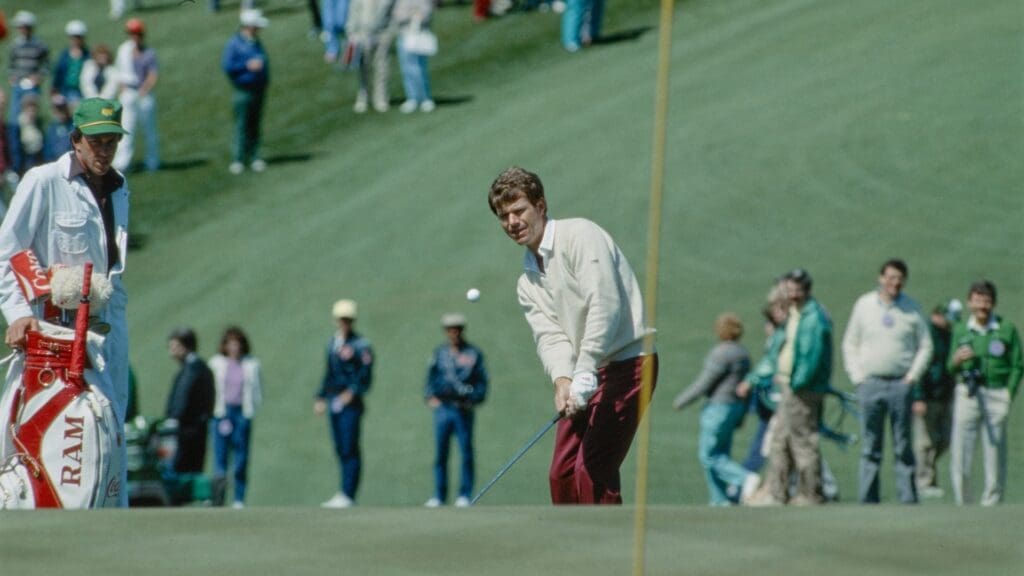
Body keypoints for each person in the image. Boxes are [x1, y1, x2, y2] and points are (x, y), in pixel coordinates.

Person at [488, 166, 658, 505]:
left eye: (519, 210)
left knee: (591, 469)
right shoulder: (527, 281)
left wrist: (584, 367)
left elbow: (604, 303)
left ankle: (607, 551)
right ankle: (569, 550)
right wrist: (563, 380)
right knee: (562, 473)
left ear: (540, 205)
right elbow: (550, 338)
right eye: (503, 216)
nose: (512, 222)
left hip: (630, 364)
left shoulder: (579, 235)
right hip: (587, 371)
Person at [0, 97, 131, 507]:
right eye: (96, 141)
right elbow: (6, 251)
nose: (104, 150)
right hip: (51, 333)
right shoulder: (43, 181)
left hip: (106, 332)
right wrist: (19, 314)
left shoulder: (121, 186)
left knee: (109, 432)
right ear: (76, 140)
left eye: (111, 140)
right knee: (38, 432)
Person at [842, 258, 933, 504]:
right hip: (870, 384)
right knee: (870, 446)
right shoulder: (864, 305)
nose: (895, 283)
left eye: (899, 278)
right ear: (881, 278)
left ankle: (908, 501)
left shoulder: (912, 309)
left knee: (903, 446)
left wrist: (912, 377)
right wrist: (858, 378)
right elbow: (850, 343)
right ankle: (868, 501)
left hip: (900, 385)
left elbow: (925, 345)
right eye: (890, 277)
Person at [746, 268, 832, 506]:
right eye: (790, 288)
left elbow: (810, 356)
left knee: (803, 442)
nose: (793, 293)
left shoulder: (813, 317)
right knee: (780, 440)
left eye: (797, 289)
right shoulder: (795, 314)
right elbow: (778, 351)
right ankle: (777, 492)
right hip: (789, 385)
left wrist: (797, 383)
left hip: (802, 388)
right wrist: (753, 378)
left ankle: (810, 493)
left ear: (806, 290)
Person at [947, 280, 1022, 506]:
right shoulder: (961, 329)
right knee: (961, 450)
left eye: (987, 301)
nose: (983, 305)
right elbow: (949, 367)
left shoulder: (1006, 329)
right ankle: (964, 502)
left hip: (996, 393)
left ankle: (992, 501)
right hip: (968, 392)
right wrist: (957, 360)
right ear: (970, 302)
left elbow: (1018, 364)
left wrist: (1009, 393)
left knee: (995, 451)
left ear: (994, 303)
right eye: (978, 300)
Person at [673, 313, 758, 506]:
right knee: (721, 453)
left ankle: (744, 479)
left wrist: (682, 401)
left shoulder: (721, 353)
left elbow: (704, 383)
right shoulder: (743, 353)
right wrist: (742, 414)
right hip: (735, 407)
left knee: (709, 455)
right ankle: (720, 500)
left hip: (718, 408)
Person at [423, 313, 488, 508]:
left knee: (466, 451)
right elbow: (431, 378)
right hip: (443, 408)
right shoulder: (440, 353)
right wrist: (429, 396)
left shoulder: (473, 353)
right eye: (450, 330)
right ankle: (439, 495)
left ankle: (464, 495)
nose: (454, 333)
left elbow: (481, 381)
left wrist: (474, 399)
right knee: (441, 453)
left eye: (457, 329)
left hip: (463, 409)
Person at [315, 299, 374, 508]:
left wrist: (353, 392)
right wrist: (320, 397)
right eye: (341, 319)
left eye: (348, 320)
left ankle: (349, 493)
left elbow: (365, 375)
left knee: (350, 447)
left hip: (350, 403)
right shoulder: (332, 343)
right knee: (340, 446)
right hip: (333, 400)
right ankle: (343, 491)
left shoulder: (361, 345)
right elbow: (329, 373)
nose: (344, 323)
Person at [208, 326, 263, 508]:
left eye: (237, 344)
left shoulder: (251, 364)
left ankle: (239, 498)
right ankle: (219, 497)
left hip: (241, 413)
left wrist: (251, 411)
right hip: (222, 413)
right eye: (230, 344)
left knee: (241, 457)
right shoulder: (216, 363)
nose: (234, 348)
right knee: (220, 458)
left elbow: (256, 391)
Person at [912, 301, 959, 498]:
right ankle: (923, 482)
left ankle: (928, 475)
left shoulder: (949, 336)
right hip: (927, 396)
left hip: (944, 395)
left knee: (945, 439)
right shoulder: (927, 335)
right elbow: (919, 368)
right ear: (936, 315)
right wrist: (918, 396)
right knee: (925, 441)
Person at [164, 328, 215, 504]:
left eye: (175, 345)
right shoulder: (198, 367)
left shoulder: (192, 370)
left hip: (187, 430)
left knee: (183, 472)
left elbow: (182, 399)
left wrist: (174, 420)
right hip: (196, 428)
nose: (171, 349)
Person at [222, 10, 270, 175]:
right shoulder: (234, 44)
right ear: (249, 26)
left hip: (258, 89)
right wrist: (247, 66)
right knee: (241, 125)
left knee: (255, 125)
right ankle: (238, 159)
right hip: (243, 90)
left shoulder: (256, 42)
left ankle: (255, 156)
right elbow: (228, 67)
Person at [113, 18, 160, 173]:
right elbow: (120, 72)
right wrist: (123, 90)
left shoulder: (149, 54)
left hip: (144, 95)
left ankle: (152, 162)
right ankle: (123, 163)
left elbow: (153, 75)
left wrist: (144, 90)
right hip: (129, 93)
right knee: (127, 129)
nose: (135, 37)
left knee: (149, 130)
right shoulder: (124, 50)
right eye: (132, 33)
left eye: (137, 33)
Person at [346, 0, 396, 113]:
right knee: (364, 68)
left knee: (382, 68)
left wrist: (390, 33)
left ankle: (381, 98)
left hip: (382, 34)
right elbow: (353, 13)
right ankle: (364, 96)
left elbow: (394, 14)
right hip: (363, 35)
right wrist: (352, 33)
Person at [6, 11, 48, 131]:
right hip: (18, 83)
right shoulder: (15, 45)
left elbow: (46, 64)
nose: (22, 30)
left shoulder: (39, 45)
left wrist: (39, 76)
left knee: (32, 116)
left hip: (31, 84)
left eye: (25, 27)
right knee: (15, 115)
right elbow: (11, 63)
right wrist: (12, 76)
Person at [393, 0, 436, 114]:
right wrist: (410, 14)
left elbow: (425, 13)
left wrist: (412, 15)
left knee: (419, 68)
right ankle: (412, 98)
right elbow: (397, 15)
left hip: (418, 35)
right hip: (403, 36)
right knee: (406, 69)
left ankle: (425, 97)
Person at [51, 20, 89, 107]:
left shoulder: (87, 56)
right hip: (65, 90)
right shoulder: (64, 55)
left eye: (78, 37)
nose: (76, 40)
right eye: (73, 37)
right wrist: (54, 90)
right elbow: (58, 73)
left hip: (82, 91)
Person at [44, 95, 74, 162]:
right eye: (57, 110)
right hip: (54, 163)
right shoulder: (51, 128)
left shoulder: (73, 126)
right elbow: (47, 149)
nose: (60, 113)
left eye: (62, 109)